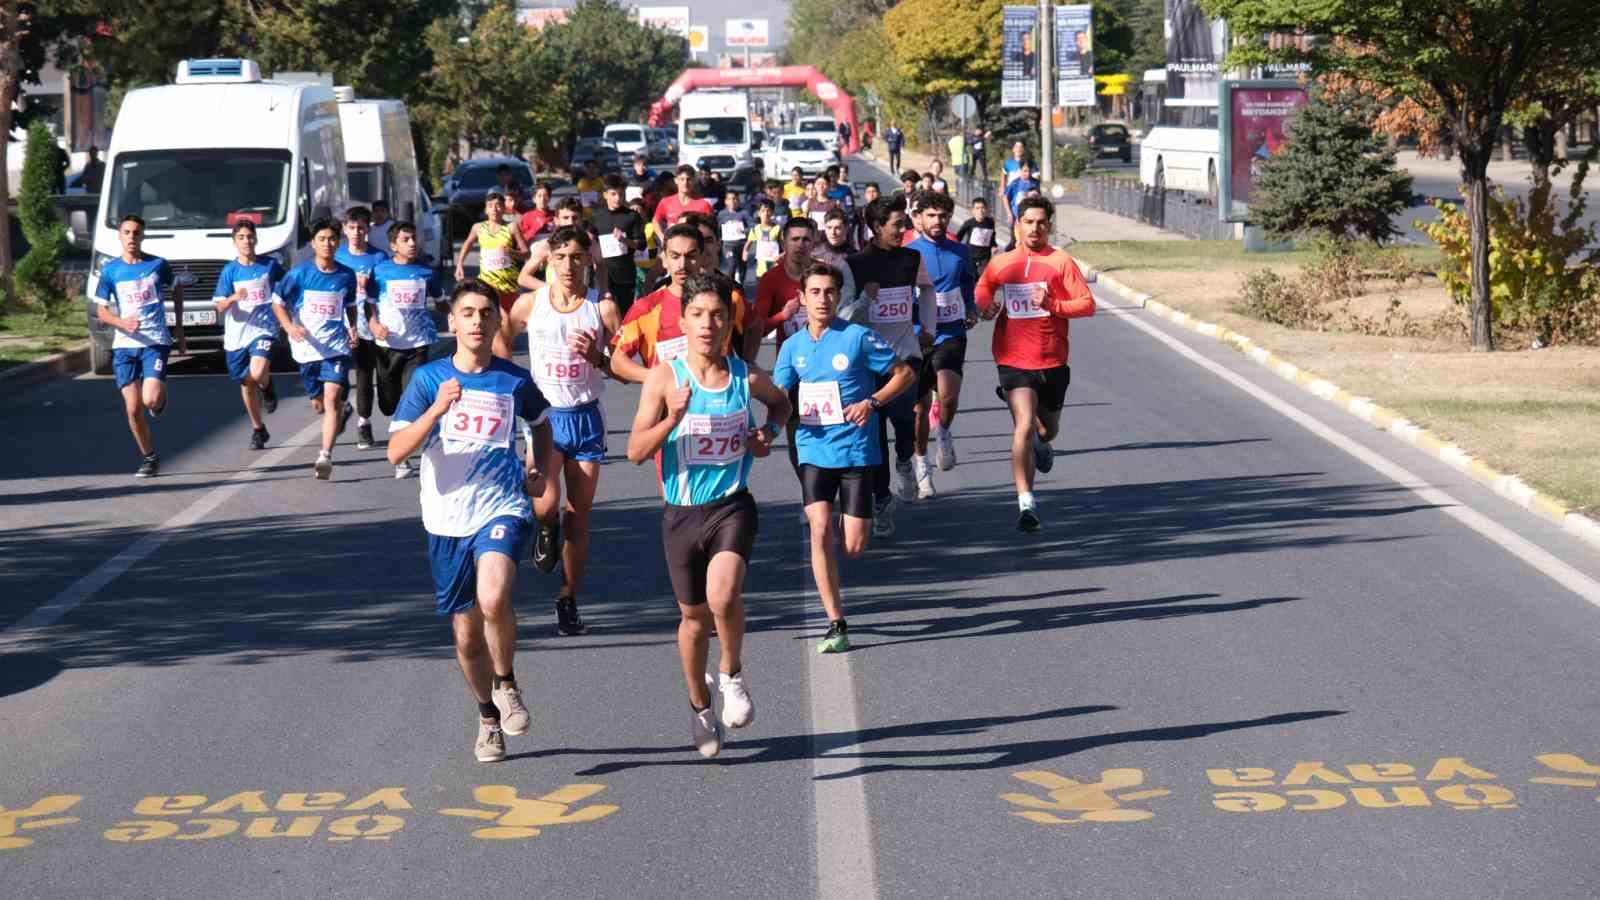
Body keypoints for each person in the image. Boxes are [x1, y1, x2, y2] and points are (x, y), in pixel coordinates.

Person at [387, 278, 554, 763]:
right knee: (465, 633)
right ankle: (486, 717)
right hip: (446, 517)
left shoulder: (513, 380)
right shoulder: (428, 380)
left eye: (486, 312)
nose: (478, 321)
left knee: (495, 595)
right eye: (468, 313)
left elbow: (542, 424)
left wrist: (538, 468)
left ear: (498, 322)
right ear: (452, 322)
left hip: (501, 505)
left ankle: (506, 683)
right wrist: (438, 407)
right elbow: (397, 450)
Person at [626, 273, 790, 757]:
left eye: (718, 315)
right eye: (697, 314)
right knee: (694, 619)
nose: (707, 324)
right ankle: (700, 706)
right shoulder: (664, 378)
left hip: (732, 505)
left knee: (724, 595)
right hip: (681, 513)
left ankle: (732, 675)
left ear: (729, 323)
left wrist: (768, 435)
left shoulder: (746, 377)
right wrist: (671, 420)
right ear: (684, 320)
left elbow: (781, 406)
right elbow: (636, 450)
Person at [772, 262, 915, 653]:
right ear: (801, 299)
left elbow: (904, 375)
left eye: (830, 292)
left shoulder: (858, 337)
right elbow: (779, 397)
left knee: (852, 545)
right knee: (819, 528)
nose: (823, 299)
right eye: (814, 292)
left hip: (854, 450)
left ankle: (847, 522)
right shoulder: (791, 347)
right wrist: (767, 422)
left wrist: (872, 402)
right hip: (813, 449)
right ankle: (836, 622)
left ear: (839, 296)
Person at [505, 227, 622, 639]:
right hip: (545, 419)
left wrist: (599, 357)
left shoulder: (602, 308)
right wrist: (513, 386)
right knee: (545, 499)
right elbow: (501, 340)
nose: (569, 265)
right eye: (561, 257)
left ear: (589, 260)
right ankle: (544, 527)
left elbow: (622, 368)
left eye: (577, 257)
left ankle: (568, 597)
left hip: (586, 417)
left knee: (580, 514)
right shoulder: (530, 303)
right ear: (549, 260)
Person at [975, 196, 1096, 533]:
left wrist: (1054, 303)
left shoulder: (1061, 262)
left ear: (1050, 226)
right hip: (1013, 359)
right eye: (1029, 221)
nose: (1035, 228)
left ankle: (1044, 443)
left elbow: (1087, 304)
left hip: (1053, 359)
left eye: (1041, 222)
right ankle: (1026, 503)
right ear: (1018, 224)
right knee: (1024, 424)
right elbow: (983, 288)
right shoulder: (1003, 262)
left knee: (1047, 429)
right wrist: (987, 307)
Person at [843, 197, 937, 538]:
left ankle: (904, 459)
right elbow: (842, 316)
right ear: (877, 226)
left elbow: (927, 291)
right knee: (874, 437)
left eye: (904, 223)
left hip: (906, 354)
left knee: (904, 417)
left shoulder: (913, 258)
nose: (903, 230)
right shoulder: (854, 264)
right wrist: (866, 299)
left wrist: (929, 328)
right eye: (897, 224)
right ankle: (881, 500)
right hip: (868, 363)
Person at [93, 214, 186, 478]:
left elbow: (177, 289)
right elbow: (102, 311)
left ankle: (159, 400)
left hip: (155, 341)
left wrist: (178, 330)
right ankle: (149, 457)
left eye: (136, 232)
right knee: (133, 408)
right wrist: (121, 322)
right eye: (127, 232)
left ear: (142, 236)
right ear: (120, 236)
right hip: (125, 345)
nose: (131, 237)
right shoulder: (111, 270)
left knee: (150, 399)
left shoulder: (158, 265)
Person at [272, 217, 360, 480]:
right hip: (306, 350)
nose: (328, 244)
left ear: (338, 242)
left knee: (332, 396)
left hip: (335, 349)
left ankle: (325, 456)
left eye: (332, 239)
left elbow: (351, 306)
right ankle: (340, 412)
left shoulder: (347, 275)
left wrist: (352, 327)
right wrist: (289, 328)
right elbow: (277, 302)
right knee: (320, 405)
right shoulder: (299, 274)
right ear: (313, 243)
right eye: (322, 239)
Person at [610, 224, 751, 385]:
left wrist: (747, 363)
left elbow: (755, 324)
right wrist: (656, 378)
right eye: (675, 256)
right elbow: (618, 362)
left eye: (690, 256)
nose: (683, 265)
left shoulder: (729, 298)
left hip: (721, 404)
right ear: (664, 259)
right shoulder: (646, 308)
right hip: (669, 407)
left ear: (703, 257)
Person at [906, 190, 978, 494]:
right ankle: (921, 464)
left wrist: (971, 308)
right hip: (916, 337)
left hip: (950, 332)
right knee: (920, 409)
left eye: (942, 215)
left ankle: (944, 431)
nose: (937, 221)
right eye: (931, 215)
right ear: (919, 218)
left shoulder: (960, 252)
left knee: (948, 393)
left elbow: (968, 284)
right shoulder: (909, 253)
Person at [368, 221, 442, 478]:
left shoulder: (427, 272)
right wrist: (374, 324)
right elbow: (368, 304)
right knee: (389, 403)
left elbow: (442, 301)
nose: (412, 244)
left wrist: (459, 317)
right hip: (387, 346)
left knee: (410, 398)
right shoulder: (379, 272)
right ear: (393, 245)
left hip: (417, 344)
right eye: (405, 240)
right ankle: (398, 428)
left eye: (414, 239)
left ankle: (403, 457)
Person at [213, 220, 284, 451]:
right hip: (237, 335)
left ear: (256, 239)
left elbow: (286, 287)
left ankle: (266, 385)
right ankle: (258, 429)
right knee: (246, 384)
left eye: (250, 237)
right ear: (234, 242)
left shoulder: (270, 265)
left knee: (257, 370)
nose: (247, 241)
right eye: (241, 237)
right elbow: (220, 307)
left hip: (264, 329)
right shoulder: (230, 270)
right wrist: (234, 297)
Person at [337, 207, 390, 451]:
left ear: (368, 229)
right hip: (346, 326)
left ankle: (372, 421)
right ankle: (353, 414)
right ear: (344, 229)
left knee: (375, 376)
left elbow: (387, 290)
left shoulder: (379, 258)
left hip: (373, 326)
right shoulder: (337, 257)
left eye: (361, 227)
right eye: (352, 227)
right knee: (351, 376)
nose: (357, 232)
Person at [454, 191, 528, 359]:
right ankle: (505, 368)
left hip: (509, 287)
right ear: (486, 210)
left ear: (504, 208)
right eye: (490, 206)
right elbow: (467, 244)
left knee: (508, 334)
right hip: (488, 286)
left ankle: (496, 359)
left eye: (498, 205)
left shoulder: (511, 227)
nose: (494, 209)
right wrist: (459, 265)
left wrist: (512, 252)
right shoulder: (479, 228)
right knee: (499, 330)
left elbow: (526, 253)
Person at [517, 197, 609, 297]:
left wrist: (604, 290)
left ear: (582, 219)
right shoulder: (548, 244)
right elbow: (523, 278)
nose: (571, 222)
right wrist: (551, 289)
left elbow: (600, 264)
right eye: (565, 218)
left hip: (583, 299)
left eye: (575, 217)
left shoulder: (590, 242)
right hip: (555, 301)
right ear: (556, 220)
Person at [590, 175, 647, 315]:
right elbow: (590, 240)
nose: (617, 198)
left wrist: (624, 240)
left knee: (624, 313)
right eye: (613, 194)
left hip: (625, 274)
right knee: (603, 312)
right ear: (605, 195)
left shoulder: (632, 216)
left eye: (621, 194)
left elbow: (641, 245)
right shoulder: (597, 216)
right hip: (603, 274)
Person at [652, 165, 714, 236]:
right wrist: (662, 237)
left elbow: (712, 227)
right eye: (682, 179)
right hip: (672, 245)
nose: (685, 183)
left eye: (689, 179)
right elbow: (655, 220)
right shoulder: (665, 202)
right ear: (676, 181)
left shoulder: (703, 204)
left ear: (693, 181)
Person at [716, 188, 752, 283]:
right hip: (728, 245)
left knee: (742, 267)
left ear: (739, 201)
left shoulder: (744, 213)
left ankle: (741, 284)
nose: (732, 201)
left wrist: (744, 230)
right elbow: (718, 229)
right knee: (731, 265)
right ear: (726, 201)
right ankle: (730, 285)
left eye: (735, 199)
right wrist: (718, 240)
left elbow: (752, 226)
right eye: (730, 199)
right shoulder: (722, 214)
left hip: (742, 245)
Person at [744, 198, 784, 280]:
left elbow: (786, 248)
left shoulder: (778, 229)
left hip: (775, 266)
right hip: (761, 269)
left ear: (772, 212)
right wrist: (745, 252)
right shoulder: (755, 229)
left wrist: (781, 256)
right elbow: (747, 244)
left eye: (768, 211)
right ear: (758, 213)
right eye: (763, 211)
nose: (766, 214)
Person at [956, 196, 998, 273]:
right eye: (977, 208)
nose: (980, 211)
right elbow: (958, 237)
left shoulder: (990, 223)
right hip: (970, 254)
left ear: (987, 210)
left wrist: (994, 245)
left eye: (983, 208)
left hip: (985, 255)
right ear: (973, 211)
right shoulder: (969, 223)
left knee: (983, 275)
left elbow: (992, 236)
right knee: (972, 275)